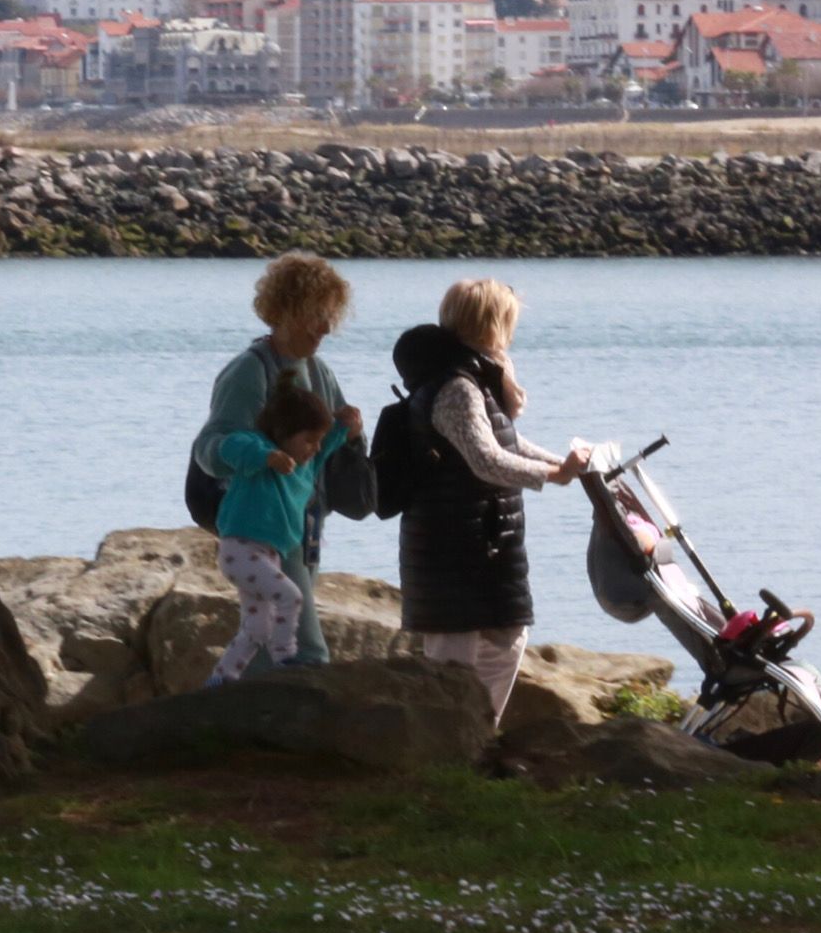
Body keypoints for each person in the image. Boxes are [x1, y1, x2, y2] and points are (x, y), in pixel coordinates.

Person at [388, 278, 587, 722]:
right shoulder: (455, 386)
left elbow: (507, 441)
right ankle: (449, 749)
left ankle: (476, 739)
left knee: (507, 638)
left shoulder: (477, 375)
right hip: (451, 544)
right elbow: (485, 460)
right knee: (452, 660)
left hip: (486, 539)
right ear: (494, 322)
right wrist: (555, 475)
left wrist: (572, 467)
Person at [189, 252, 372, 668]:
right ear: (285, 311)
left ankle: (241, 718)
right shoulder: (249, 372)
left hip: (304, 523)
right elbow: (210, 447)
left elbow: (328, 442)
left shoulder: (319, 371)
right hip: (258, 523)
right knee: (305, 650)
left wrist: (352, 428)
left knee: (269, 632)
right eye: (316, 315)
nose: (326, 327)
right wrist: (261, 457)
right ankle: (293, 722)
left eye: (330, 316)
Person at [207, 378, 349, 687]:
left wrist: (345, 427)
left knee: (257, 627)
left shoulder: (305, 464)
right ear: (284, 433)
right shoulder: (260, 450)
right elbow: (229, 445)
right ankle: (285, 656)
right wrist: (266, 457)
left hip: (268, 555)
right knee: (291, 596)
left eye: (318, 441)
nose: (314, 448)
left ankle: (222, 678)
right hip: (240, 549)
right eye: (309, 439)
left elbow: (328, 446)